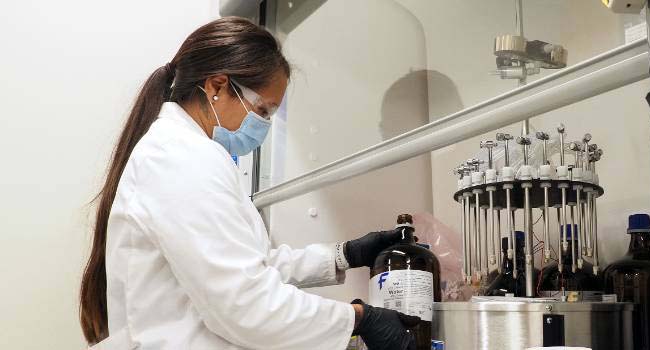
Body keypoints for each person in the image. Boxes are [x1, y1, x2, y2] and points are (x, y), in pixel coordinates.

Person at [79, 17, 419, 350]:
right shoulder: (182, 158)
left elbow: (250, 265)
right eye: (264, 109)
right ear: (216, 87)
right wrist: (358, 318)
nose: (264, 124)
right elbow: (245, 304)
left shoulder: (185, 153)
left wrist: (343, 255)